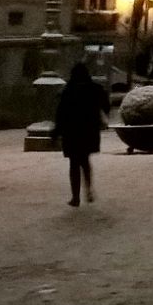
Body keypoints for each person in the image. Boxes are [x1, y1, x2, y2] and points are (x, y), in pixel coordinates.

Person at [52, 62, 109, 207]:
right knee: (85, 161)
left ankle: (75, 197)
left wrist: (56, 132)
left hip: (72, 131)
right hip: (88, 130)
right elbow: (106, 104)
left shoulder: (68, 90)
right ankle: (88, 188)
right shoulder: (94, 88)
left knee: (74, 164)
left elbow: (61, 113)